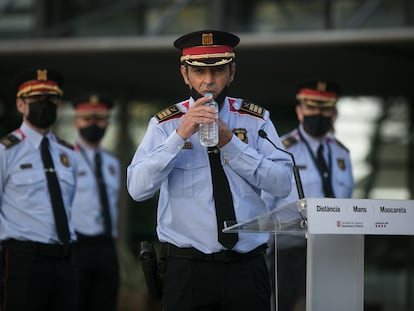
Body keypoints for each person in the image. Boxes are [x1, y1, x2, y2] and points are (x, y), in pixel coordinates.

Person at [127, 29, 293, 311]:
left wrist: (231, 144)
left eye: (217, 70)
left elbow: (282, 184)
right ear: (185, 74)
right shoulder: (165, 124)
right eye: (198, 71)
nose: (208, 81)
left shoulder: (256, 121)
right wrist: (179, 136)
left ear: (232, 72)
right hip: (187, 268)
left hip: (246, 267)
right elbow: (138, 189)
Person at [262, 80, 354, 311]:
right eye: (312, 107)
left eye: (325, 109)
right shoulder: (282, 149)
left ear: (334, 112)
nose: (318, 114)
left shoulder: (342, 153)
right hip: (290, 247)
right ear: (299, 110)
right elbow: (264, 203)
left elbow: (347, 201)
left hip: (331, 249)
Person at [0, 67, 78, 311]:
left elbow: (68, 205)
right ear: (20, 105)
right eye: (35, 99)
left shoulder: (68, 153)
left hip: (64, 259)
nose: (44, 105)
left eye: (51, 99)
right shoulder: (6, 151)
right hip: (21, 260)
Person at [71, 93, 120, 311]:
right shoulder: (66, 158)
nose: (93, 124)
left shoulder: (112, 162)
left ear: (107, 122)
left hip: (106, 245)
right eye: (87, 118)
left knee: (106, 303)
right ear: (76, 122)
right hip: (76, 245)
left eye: (99, 119)